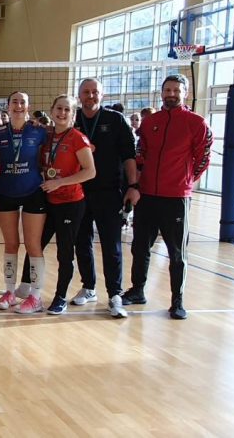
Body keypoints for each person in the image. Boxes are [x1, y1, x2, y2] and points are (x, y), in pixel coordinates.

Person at [125, 74, 212, 320]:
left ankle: (177, 301)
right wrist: (137, 183)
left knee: (176, 252)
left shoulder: (196, 123)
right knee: (140, 246)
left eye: (176, 90)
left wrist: (185, 181)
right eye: (167, 90)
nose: (171, 94)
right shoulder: (150, 122)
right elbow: (141, 153)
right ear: (161, 93)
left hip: (176, 198)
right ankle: (137, 290)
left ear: (185, 94)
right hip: (147, 195)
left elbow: (203, 158)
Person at [71, 78, 136, 318]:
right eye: (86, 92)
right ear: (79, 95)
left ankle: (115, 294)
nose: (90, 96)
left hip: (109, 191)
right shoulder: (73, 119)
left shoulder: (115, 120)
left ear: (102, 95)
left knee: (111, 244)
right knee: (81, 241)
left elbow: (129, 155)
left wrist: (133, 185)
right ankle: (88, 287)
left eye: (95, 92)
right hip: (78, 191)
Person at [32, 96, 96, 315]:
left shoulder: (77, 138)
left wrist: (59, 182)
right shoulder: (47, 135)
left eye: (67, 109)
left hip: (70, 203)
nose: (62, 113)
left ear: (73, 114)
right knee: (35, 245)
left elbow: (90, 171)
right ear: (51, 111)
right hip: (48, 201)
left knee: (65, 252)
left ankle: (60, 297)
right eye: (59, 108)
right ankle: (28, 290)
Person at [0, 91, 47, 314]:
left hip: (33, 191)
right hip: (7, 191)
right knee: (11, 244)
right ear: (8, 106)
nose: (18, 105)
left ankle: (36, 296)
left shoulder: (39, 131)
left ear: (28, 107)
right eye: (14, 102)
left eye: (22, 102)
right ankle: (9, 292)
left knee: (33, 244)